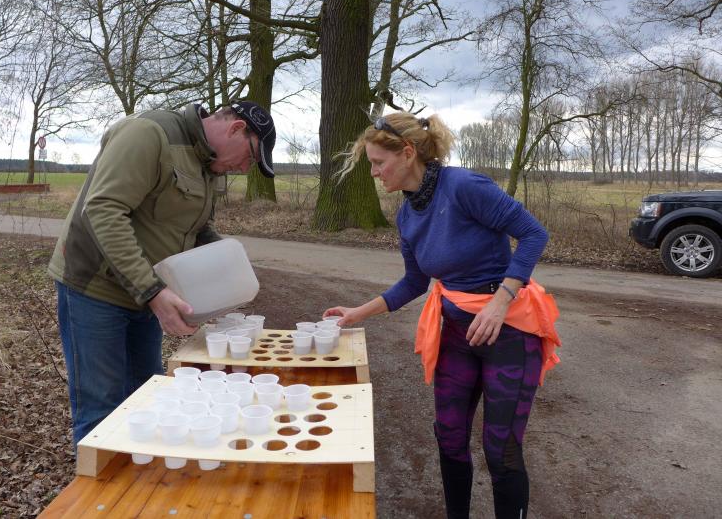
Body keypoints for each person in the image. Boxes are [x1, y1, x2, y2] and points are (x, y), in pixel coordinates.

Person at [323, 112, 561, 519]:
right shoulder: (406, 215)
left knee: (500, 450)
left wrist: (501, 301)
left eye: (379, 163)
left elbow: (534, 233)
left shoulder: (464, 187)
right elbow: (415, 281)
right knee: (449, 438)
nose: (375, 173)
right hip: (456, 333)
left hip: (509, 331)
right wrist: (358, 312)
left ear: (408, 153)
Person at [48, 101, 276, 445]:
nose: (245, 168)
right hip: (96, 290)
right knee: (102, 410)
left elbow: (194, 228)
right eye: (251, 157)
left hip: (145, 293)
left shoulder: (207, 166)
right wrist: (153, 291)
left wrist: (228, 266)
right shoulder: (149, 133)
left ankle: (139, 477)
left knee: (147, 399)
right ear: (236, 129)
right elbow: (103, 209)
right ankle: (102, 480)